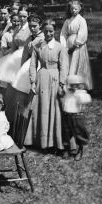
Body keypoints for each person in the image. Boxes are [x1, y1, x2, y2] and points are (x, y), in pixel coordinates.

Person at [24, 19, 68, 151]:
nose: (48, 34)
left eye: (51, 31)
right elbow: (32, 65)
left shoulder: (60, 47)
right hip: (41, 78)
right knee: (40, 107)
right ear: (42, 31)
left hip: (54, 78)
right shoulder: (38, 46)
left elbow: (64, 66)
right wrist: (32, 81)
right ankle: (39, 139)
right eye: (46, 31)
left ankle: (54, 140)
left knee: (54, 108)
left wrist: (61, 83)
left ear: (55, 32)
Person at [0, 7, 30, 87]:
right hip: (16, 53)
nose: (22, 18)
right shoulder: (17, 28)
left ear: (28, 16)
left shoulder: (30, 28)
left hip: (26, 53)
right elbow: (14, 44)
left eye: (24, 17)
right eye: (20, 16)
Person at [60, 1, 93, 90]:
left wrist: (75, 45)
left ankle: (79, 84)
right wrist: (64, 45)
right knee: (69, 63)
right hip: (69, 44)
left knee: (77, 64)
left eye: (75, 9)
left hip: (78, 46)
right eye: (72, 9)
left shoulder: (81, 20)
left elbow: (82, 34)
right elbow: (63, 33)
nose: (73, 11)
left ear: (79, 9)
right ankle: (69, 83)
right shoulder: (68, 21)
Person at [60, 74, 92, 160]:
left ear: (79, 85)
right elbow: (61, 94)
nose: (74, 87)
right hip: (67, 114)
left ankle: (80, 150)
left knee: (79, 133)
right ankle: (67, 149)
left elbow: (87, 100)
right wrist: (64, 89)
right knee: (66, 133)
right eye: (72, 85)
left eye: (76, 85)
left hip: (77, 116)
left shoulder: (81, 93)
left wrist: (78, 93)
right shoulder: (67, 91)